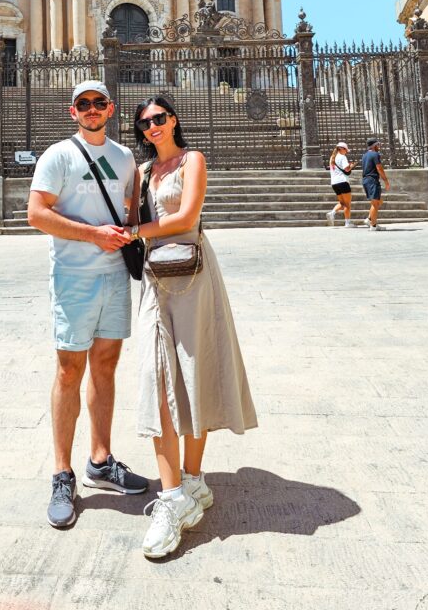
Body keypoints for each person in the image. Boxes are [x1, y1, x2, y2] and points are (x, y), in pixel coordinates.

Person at [125, 94, 258, 559]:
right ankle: (171, 496)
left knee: (192, 368)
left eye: (159, 118)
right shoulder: (141, 174)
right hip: (154, 278)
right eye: (145, 122)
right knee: (155, 378)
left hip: (193, 273)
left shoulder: (192, 160)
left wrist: (135, 232)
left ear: (174, 120)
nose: (153, 127)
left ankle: (193, 479)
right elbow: (128, 216)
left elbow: (184, 217)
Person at [27, 80, 149, 531]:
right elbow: (36, 214)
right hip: (74, 278)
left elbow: (132, 211)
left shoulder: (124, 157)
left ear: (111, 109)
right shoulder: (58, 155)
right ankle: (62, 474)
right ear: (72, 110)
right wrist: (92, 234)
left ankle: (100, 459)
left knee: (106, 365)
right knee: (68, 370)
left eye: (99, 103)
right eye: (84, 104)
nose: (92, 109)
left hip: (115, 275)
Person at [361, 137, 390, 231]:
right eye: (378, 144)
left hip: (366, 180)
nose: (379, 146)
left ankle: (369, 219)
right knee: (375, 203)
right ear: (374, 146)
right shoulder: (375, 154)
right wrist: (386, 181)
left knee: (378, 201)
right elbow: (379, 168)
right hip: (372, 180)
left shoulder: (364, 155)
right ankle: (373, 225)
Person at [326, 141, 355, 227]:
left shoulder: (332, 157)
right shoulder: (342, 157)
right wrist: (351, 166)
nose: (346, 152)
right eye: (346, 150)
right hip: (342, 181)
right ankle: (347, 222)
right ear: (341, 149)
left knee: (342, 203)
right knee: (347, 204)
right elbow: (346, 169)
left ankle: (332, 213)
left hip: (334, 183)